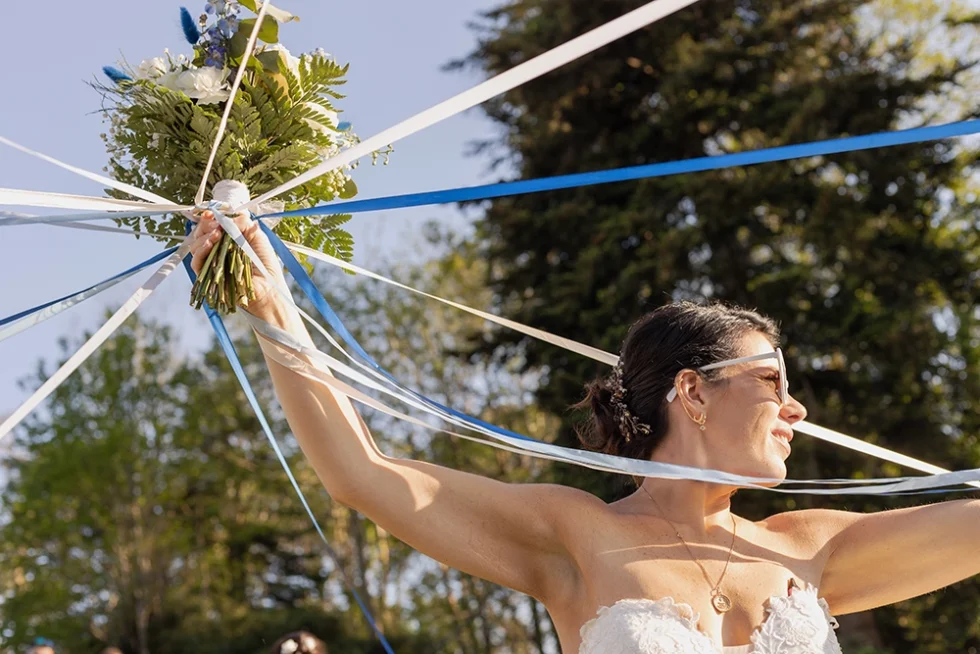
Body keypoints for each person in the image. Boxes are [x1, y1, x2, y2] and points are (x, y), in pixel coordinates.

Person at [188, 211, 980, 653]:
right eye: (773, 382)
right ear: (692, 393)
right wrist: (271, 305)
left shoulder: (810, 546)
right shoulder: (577, 534)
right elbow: (361, 474)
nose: (797, 408)